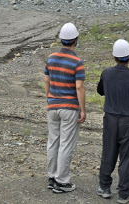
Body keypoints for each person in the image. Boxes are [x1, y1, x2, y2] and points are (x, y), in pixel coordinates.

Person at [96, 39, 129, 203]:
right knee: (127, 156)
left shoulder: (106, 74)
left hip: (110, 118)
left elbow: (100, 91)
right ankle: (124, 193)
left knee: (108, 152)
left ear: (114, 56)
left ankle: (104, 187)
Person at [44, 22, 86, 193]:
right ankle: (62, 182)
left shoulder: (51, 58)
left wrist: (49, 98)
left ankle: (52, 177)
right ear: (75, 40)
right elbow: (79, 87)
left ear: (61, 39)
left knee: (53, 142)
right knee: (66, 144)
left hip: (52, 105)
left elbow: (46, 81)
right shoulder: (77, 62)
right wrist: (82, 109)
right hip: (69, 107)